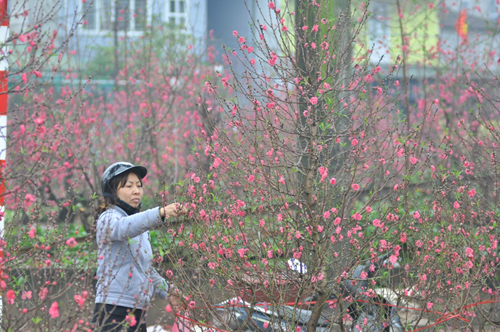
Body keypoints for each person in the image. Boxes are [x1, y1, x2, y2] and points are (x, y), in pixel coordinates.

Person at [92, 162, 187, 332]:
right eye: (129, 186)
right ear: (112, 191)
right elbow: (124, 227)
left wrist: (168, 290)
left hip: (138, 310)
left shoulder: (140, 228)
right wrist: (160, 213)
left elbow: (145, 270)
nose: (136, 191)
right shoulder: (108, 218)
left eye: (139, 186)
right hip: (113, 310)